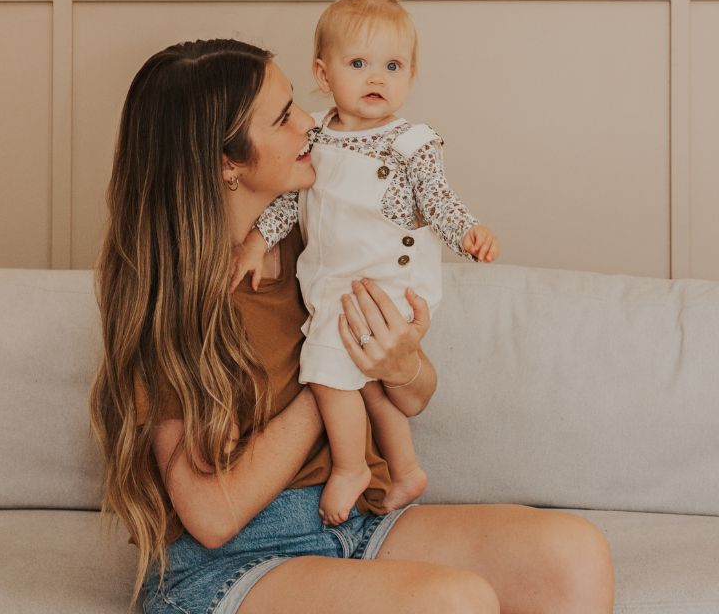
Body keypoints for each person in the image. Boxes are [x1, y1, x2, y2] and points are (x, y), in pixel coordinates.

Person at [89, 38, 614, 614]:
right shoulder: (173, 297)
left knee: (573, 553)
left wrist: (399, 362)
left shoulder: (320, 233)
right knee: (450, 602)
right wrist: (332, 376)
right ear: (226, 162)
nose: (309, 123)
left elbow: (413, 397)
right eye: (283, 118)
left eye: (296, 103)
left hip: (357, 520)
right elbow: (212, 518)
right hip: (231, 560)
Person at [231, 0, 499, 526]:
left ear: (412, 75)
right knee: (367, 381)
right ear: (323, 73)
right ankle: (405, 469)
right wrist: (257, 242)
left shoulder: (410, 143)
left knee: (326, 372)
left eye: (392, 66)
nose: (377, 78)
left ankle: (351, 467)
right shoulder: (317, 137)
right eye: (358, 64)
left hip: (381, 285)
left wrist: (468, 233)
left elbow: (438, 200)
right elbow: (290, 202)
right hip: (337, 281)